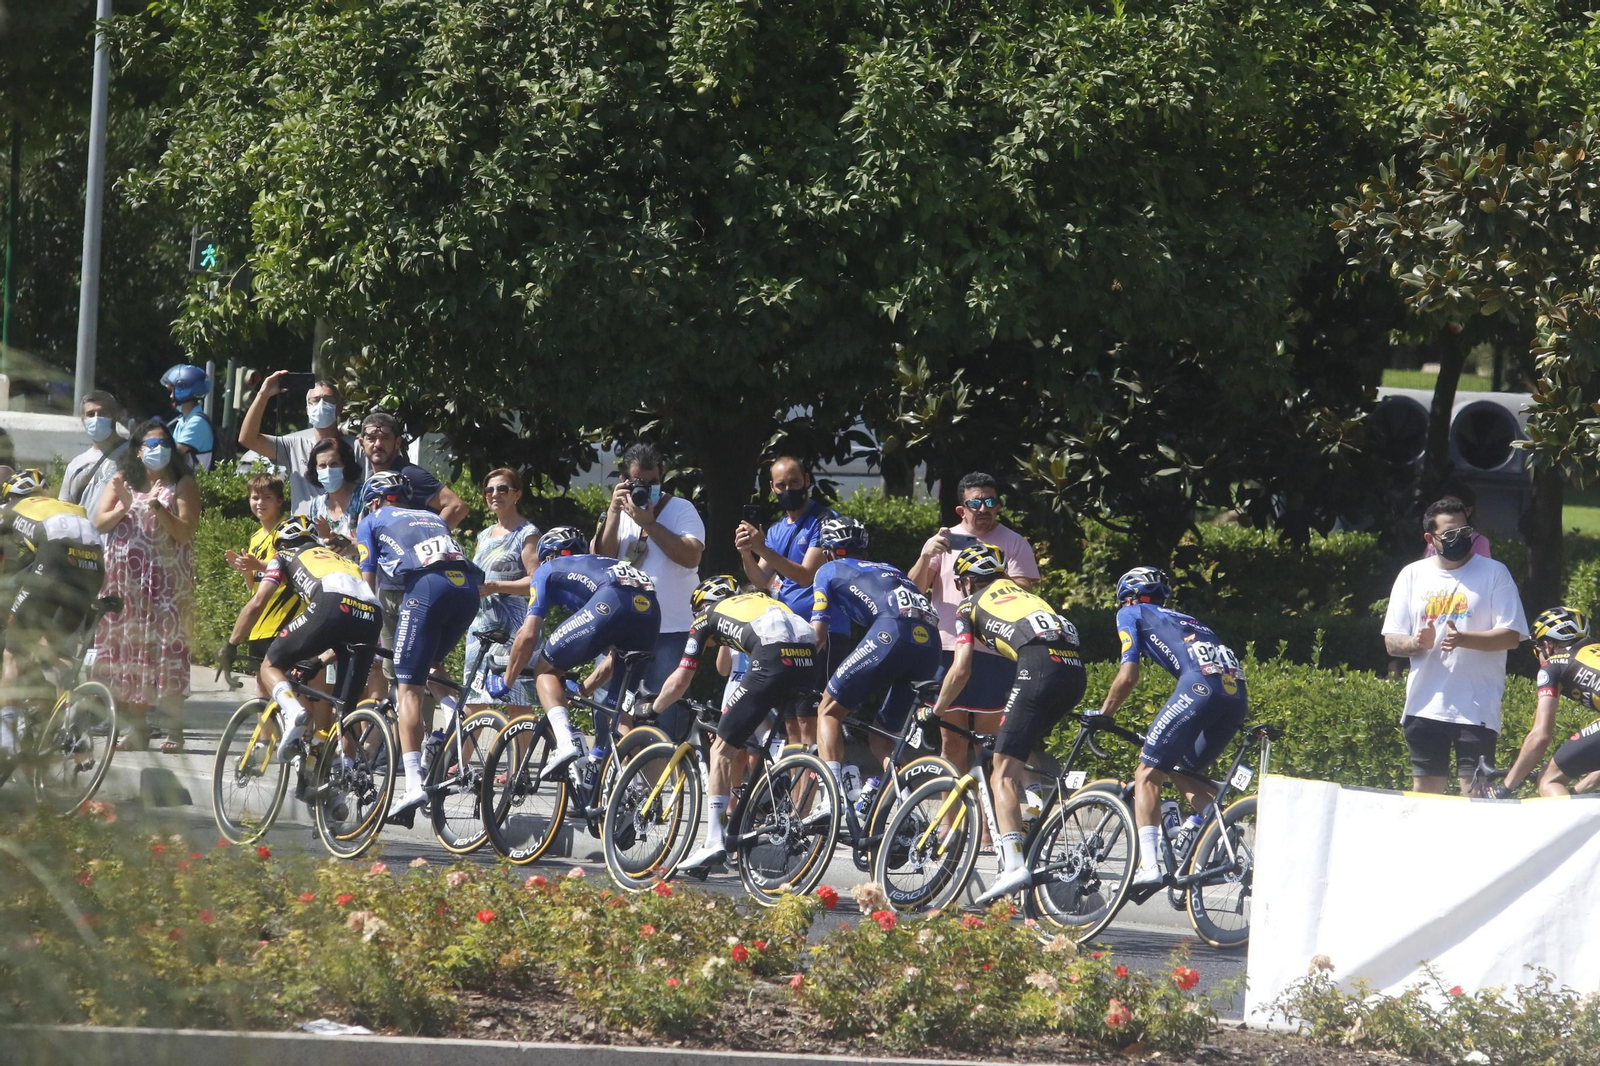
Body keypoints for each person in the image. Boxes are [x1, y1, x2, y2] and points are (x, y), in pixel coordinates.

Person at [924, 544, 1085, 901]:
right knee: (1017, 751)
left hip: (1039, 666)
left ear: (966, 581)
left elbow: (961, 667)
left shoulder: (970, 604)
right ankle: (1035, 815)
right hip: (1074, 671)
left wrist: (936, 710)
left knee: (1002, 771)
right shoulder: (1027, 595)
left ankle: (1013, 865)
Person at [1099, 566, 1249, 888]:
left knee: (1147, 774)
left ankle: (1148, 866)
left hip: (1199, 689)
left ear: (1128, 597)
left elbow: (1128, 675)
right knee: (1181, 770)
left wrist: (1104, 713)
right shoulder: (1187, 619)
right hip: (1237, 696)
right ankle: (1220, 827)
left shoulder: (1131, 612)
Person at [656, 576, 817, 872]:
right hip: (808, 653)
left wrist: (652, 709)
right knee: (787, 735)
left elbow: (681, 679)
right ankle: (782, 792)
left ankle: (714, 841)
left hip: (771, 657)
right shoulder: (763, 601)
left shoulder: (706, 616)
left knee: (721, 749)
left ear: (703, 604)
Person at [354, 472, 481, 820]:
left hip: (426, 590)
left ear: (375, 500)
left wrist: (360, 632)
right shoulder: (429, 516)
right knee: (431, 666)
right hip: (467, 589)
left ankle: (412, 786)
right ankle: (455, 715)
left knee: (407, 689)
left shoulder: (372, 518)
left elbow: (367, 587)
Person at [488, 526, 661, 778]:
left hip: (611, 599)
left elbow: (528, 634)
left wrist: (507, 681)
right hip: (650, 610)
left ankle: (565, 742)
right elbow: (614, 659)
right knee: (620, 717)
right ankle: (639, 796)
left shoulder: (547, 568)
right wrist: (582, 692)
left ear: (549, 555)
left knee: (545, 671)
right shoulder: (598, 565)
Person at [1381, 497, 1528, 794]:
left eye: (1465, 531)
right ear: (1430, 538)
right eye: (1449, 534)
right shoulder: (1412, 575)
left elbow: (1512, 636)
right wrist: (1413, 643)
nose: (1459, 538)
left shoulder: (1494, 573)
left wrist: (1463, 639)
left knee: (1474, 794)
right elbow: (1391, 642)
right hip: (1424, 705)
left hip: (1476, 708)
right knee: (1425, 795)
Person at [908, 473, 1040, 775]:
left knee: (987, 745)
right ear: (961, 509)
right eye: (975, 503)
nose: (984, 509)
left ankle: (984, 822)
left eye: (990, 502)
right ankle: (949, 822)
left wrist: (990, 571)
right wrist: (926, 553)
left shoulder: (1014, 542)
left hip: (994, 651)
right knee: (950, 742)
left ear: (999, 506)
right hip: (947, 648)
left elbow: (1024, 590)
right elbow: (914, 589)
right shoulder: (944, 541)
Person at [810, 516, 940, 808]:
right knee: (883, 738)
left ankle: (830, 800)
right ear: (864, 550)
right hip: (930, 640)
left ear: (828, 550)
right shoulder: (889, 569)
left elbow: (818, 634)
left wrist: (798, 665)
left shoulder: (828, 569)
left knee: (829, 711)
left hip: (891, 631)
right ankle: (909, 811)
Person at [229, 516, 382, 759]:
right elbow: (350, 625)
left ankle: (293, 711)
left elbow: (258, 602)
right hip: (372, 614)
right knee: (345, 715)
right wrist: (319, 661)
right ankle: (344, 780)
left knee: (271, 664)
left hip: (330, 603)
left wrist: (231, 644)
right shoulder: (341, 559)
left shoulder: (283, 556)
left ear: (281, 544)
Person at [93, 420, 201, 753]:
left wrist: (156, 506)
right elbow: (99, 521)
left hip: (166, 585)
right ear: (137, 450)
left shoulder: (183, 484)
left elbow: (184, 532)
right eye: (150, 444)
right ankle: (137, 729)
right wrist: (125, 505)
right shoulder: (124, 480)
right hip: (125, 583)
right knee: (130, 652)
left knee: (166, 651)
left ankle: (173, 728)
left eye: (163, 443)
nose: (158, 450)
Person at [357, 411, 467, 691]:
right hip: (389, 583)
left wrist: (423, 543)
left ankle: (439, 729)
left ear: (398, 443)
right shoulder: (372, 481)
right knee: (390, 665)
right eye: (371, 437)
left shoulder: (409, 475)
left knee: (418, 665)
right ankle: (391, 731)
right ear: (361, 442)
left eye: (385, 437)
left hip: (416, 584)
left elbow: (457, 505)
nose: (377, 444)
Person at [0, 470, 105, 760]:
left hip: (55, 555)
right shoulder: (62, 505)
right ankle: (73, 718)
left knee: (13, 649)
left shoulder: (11, 508)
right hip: (94, 562)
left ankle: (6, 737)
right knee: (51, 646)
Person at [734, 456, 838, 747]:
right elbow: (761, 581)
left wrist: (762, 548)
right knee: (790, 721)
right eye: (781, 485)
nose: (788, 489)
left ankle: (818, 785)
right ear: (772, 487)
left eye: (794, 482)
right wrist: (747, 552)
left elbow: (806, 575)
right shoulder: (778, 529)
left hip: (820, 632)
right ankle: (796, 790)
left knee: (809, 719)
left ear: (807, 479)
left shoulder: (824, 521)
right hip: (787, 634)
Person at [593, 443, 705, 700]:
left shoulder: (681, 509)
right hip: (623, 629)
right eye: (637, 482)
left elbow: (691, 556)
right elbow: (602, 560)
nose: (646, 489)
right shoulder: (616, 512)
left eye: (653, 482)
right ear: (623, 482)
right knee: (610, 708)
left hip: (670, 630)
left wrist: (650, 524)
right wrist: (613, 512)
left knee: (659, 712)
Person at [463, 468, 539, 715]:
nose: (495, 494)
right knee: (473, 702)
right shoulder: (484, 535)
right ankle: (460, 755)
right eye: (489, 490)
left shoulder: (527, 534)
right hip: (480, 627)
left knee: (517, 703)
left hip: (512, 631)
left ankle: (522, 755)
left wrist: (498, 587)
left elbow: (536, 583)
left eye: (502, 488)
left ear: (517, 494)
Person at [237, 372, 369, 508]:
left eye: (328, 399)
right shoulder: (293, 446)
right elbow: (248, 439)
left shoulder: (357, 446)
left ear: (339, 408)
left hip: (347, 526)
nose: (321, 404)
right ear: (307, 409)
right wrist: (263, 394)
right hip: (303, 527)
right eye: (315, 400)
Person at [59, 390, 129, 529]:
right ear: (83, 420)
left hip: (121, 543)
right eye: (90, 414)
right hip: (84, 545)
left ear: (114, 417)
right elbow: (64, 509)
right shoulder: (76, 464)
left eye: (102, 413)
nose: (96, 418)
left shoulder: (134, 453)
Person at [295, 436, 364, 548]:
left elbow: (370, 544)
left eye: (334, 464)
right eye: (322, 466)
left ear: (346, 465)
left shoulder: (363, 497)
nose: (328, 470)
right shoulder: (316, 506)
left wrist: (333, 538)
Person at [224, 473, 287, 583]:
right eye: (255, 498)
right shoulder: (256, 537)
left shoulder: (289, 531)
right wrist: (246, 570)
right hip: (262, 600)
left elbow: (293, 574)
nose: (260, 503)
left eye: (267, 497)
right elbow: (253, 586)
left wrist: (258, 565)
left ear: (279, 500)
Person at [160, 364, 216, 471]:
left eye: (172, 391)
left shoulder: (197, 422)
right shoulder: (184, 420)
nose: (171, 396)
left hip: (193, 485)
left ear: (183, 390)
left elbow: (174, 454)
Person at [1422, 485, 1491, 560]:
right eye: (1448, 534)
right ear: (1430, 539)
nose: (1448, 508)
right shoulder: (1436, 538)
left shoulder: (1479, 541)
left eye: (1454, 504)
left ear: (1468, 511)